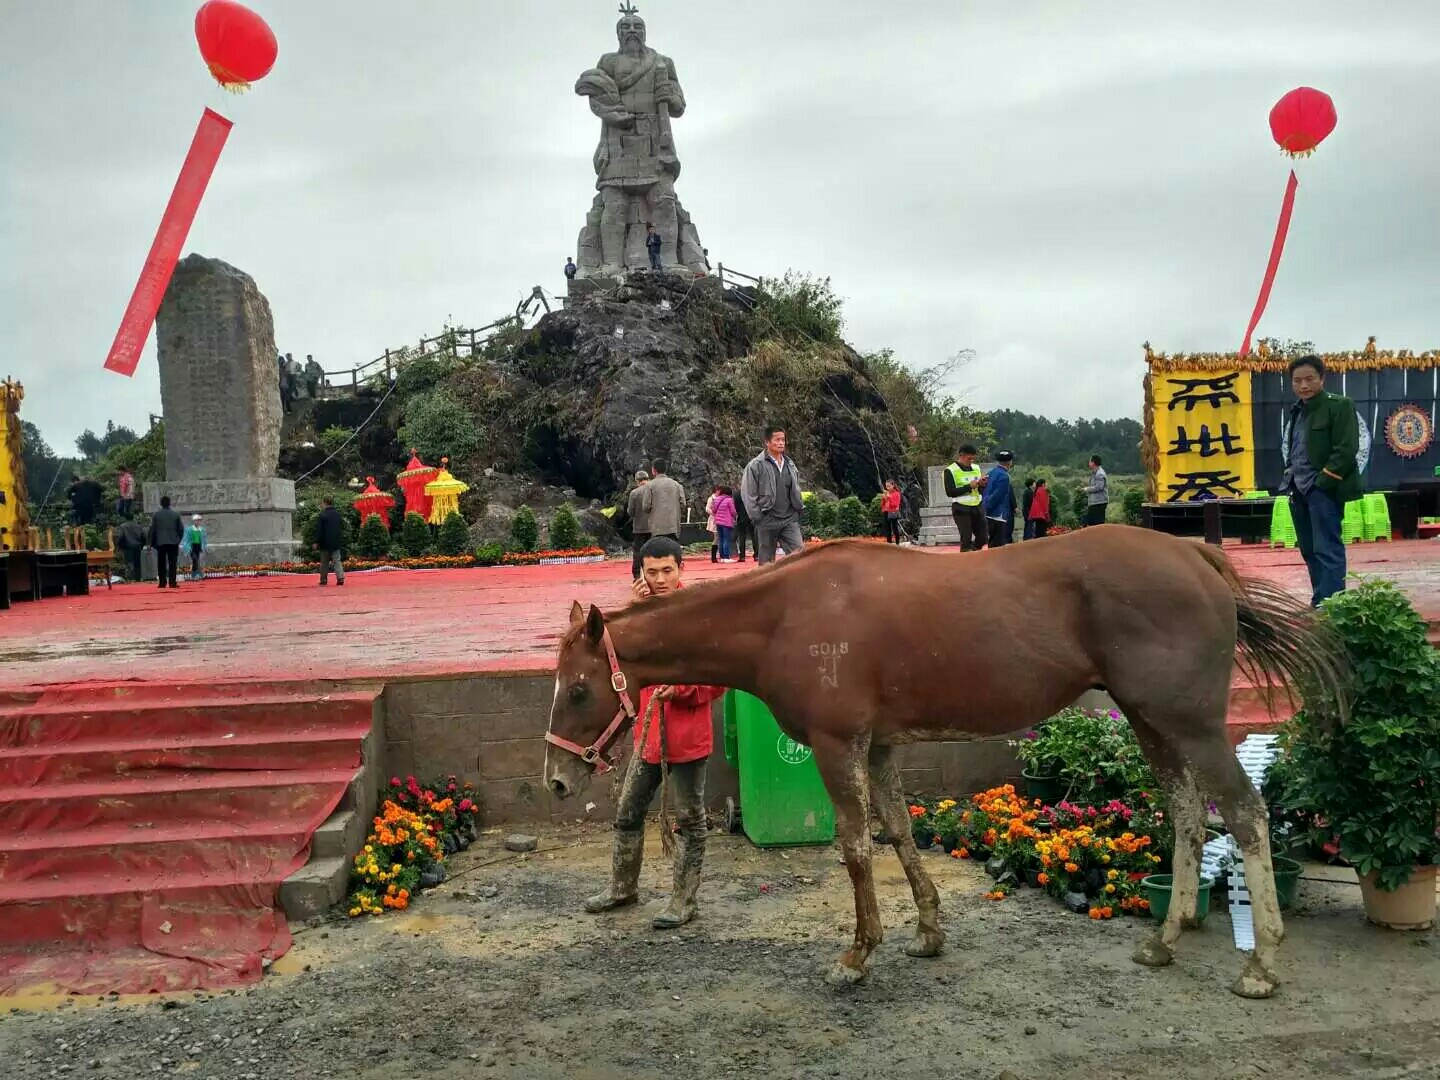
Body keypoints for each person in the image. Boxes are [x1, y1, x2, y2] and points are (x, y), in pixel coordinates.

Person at [583, 536, 724, 928]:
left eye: (667, 570)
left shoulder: (697, 618)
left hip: (688, 740)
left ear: (682, 570)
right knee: (628, 812)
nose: (660, 579)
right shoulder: (639, 616)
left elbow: (719, 680)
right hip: (648, 739)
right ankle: (622, 887)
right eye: (651, 572)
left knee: (690, 820)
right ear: (640, 574)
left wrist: (683, 689)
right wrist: (634, 610)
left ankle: (683, 899)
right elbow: (619, 664)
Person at [1281, 354, 1361, 606]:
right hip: (1298, 489)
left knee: (1328, 549)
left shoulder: (1339, 406)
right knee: (1309, 549)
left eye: (1309, 379)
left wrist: (1322, 482)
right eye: (1297, 381)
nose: (1303, 386)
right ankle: (1319, 602)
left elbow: (1346, 449)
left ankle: (1334, 608)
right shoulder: (1296, 410)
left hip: (1322, 489)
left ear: (1322, 379)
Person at [741, 426, 805, 565]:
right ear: (767, 442)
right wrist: (758, 517)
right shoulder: (755, 465)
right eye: (777, 440)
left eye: (783, 440)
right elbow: (748, 494)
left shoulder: (790, 465)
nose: (781, 443)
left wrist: (798, 508)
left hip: (789, 519)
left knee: (800, 556)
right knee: (767, 564)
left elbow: (796, 489)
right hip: (767, 520)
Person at [943, 445, 987, 552]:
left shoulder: (976, 468)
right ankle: (967, 558)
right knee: (966, 538)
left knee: (983, 537)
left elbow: (979, 489)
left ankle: (974, 553)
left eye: (973, 458)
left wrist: (982, 484)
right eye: (969, 458)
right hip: (961, 508)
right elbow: (950, 492)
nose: (971, 461)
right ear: (961, 456)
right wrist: (968, 486)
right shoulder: (950, 470)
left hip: (977, 506)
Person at [641, 461, 684, 544]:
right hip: (673, 526)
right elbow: (683, 504)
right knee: (672, 551)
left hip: (657, 527)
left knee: (659, 552)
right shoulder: (677, 485)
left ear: (654, 470)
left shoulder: (649, 486)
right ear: (665, 470)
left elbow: (646, 507)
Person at [147, 495, 183, 589]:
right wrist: (178, 540)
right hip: (173, 542)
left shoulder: (156, 515)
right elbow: (181, 529)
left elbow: (152, 529)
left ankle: (162, 582)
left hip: (161, 541)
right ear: (169, 503)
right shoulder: (176, 514)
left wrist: (150, 543)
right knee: (172, 563)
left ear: (161, 504)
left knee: (161, 563)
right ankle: (172, 582)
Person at [983, 451, 1015, 548]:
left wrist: (986, 507)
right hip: (998, 514)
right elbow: (998, 495)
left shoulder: (990, 473)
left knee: (992, 542)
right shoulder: (1004, 476)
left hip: (987, 512)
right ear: (1009, 462)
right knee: (998, 545)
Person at [627, 470, 651, 581]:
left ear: (637, 481)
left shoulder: (634, 493)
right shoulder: (653, 490)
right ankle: (651, 574)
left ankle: (637, 576)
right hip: (654, 527)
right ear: (648, 478)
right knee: (652, 551)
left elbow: (630, 512)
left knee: (638, 552)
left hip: (639, 528)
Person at [316, 497, 346, 586]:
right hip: (335, 541)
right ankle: (340, 577)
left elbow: (319, 530)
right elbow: (341, 528)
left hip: (325, 542)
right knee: (337, 560)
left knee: (324, 562)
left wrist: (317, 541)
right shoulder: (337, 514)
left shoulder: (322, 515)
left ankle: (323, 579)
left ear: (325, 503)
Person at [115, 515, 147, 582]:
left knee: (129, 563)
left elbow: (120, 536)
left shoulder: (123, 526)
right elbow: (143, 536)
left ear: (126, 518)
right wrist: (142, 545)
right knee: (138, 563)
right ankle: (138, 578)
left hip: (128, 547)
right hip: (138, 546)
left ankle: (130, 578)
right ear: (133, 518)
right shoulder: (138, 526)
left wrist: (119, 545)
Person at [712, 485, 737, 561]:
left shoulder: (716, 499)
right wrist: (735, 515)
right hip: (726, 522)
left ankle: (722, 557)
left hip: (718, 522)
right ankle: (726, 557)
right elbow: (733, 511)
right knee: (726, 539)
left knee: (721, 539)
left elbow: (713, 510)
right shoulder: (729, 500)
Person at [1083, 454, 1109, 526]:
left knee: (1097, 524)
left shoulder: (1100, 474)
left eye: (1090, 461)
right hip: (1094, 502)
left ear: (1093, 463)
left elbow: (1099, 487)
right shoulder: (1095, 473)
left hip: (1099, 502)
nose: (1089, 463)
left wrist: (1087, 489)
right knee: (1091, 523)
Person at [732, 486, 755, 563]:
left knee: (741, 537)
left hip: (741, 517)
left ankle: (742, 556)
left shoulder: (737, 494)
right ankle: (757, 555)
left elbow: (734, 506)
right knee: (754, 536)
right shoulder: (752, 492)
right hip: (751, 516)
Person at [183, 514, 208, 581]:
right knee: (194, 559)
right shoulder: (189, 529)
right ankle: (194, 575)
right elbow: (186, 539)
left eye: (199, 520)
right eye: (196, 520)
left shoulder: (202, 529)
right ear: (193, 521)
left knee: (200, 561)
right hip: (192, 546)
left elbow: (204, 540)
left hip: (199, 546)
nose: (198, 522)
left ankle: (201, 575)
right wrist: (187, 548)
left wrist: (205, 547)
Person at [880, 479, 903, 544]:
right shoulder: (886, 493)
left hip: (893, 512)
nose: (888, 488)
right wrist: (884, 498)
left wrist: (889, 497)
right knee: (887, 529)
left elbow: (895, 505)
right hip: (886, 511)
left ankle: (897, 543)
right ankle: (889, 543)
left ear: (893, 485)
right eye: (887, 486)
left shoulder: (897, 494)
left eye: (889, 486)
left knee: (895, 528)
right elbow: (882, 505)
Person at [704, 485, 721, 563]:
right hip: (714, 519)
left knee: (719, 538)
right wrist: (714, 513)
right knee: (716, 537)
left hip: (720, 518)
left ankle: (720, 554)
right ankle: (713, 557)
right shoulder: (711, 499)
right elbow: (707, 508)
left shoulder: (720, 498)